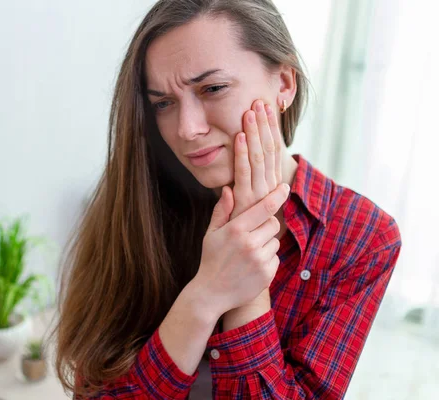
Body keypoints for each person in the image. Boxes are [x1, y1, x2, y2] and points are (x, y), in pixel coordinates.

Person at [50, 0, 402, 398]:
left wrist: (249, 289)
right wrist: (207, 294)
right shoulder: (138, 201)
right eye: (163, 103)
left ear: (284, 84)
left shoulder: (362, 235)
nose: (187, 129)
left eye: (213, 88)